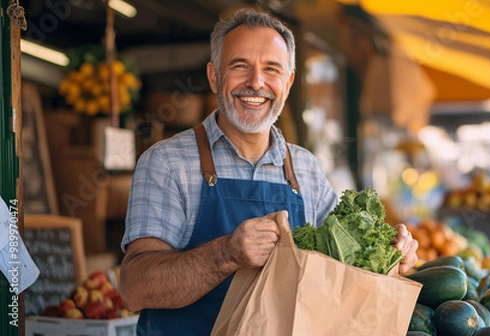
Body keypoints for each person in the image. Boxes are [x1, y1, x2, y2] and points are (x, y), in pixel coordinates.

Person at [119, 7, 419, 335]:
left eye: (271, 69)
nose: (256, 83)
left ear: (288, 83)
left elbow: (344, 278)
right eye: (240, 66)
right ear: (214, 76)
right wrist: (225, 254)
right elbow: (135, 288)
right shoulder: (166, 163)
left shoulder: (305, 169)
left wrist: (388, 259)